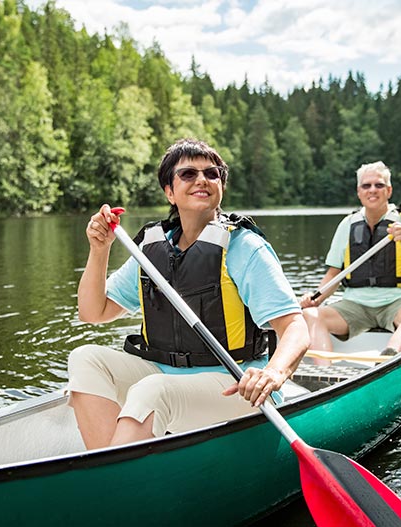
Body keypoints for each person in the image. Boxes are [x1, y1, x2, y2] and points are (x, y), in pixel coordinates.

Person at [67, 138, 309, 450]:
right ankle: (108, 469)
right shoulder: (150, 250)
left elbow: (295, 328)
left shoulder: (245, 247)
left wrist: (273, 374)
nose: (202, 180)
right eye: (188, 174)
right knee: (85, 359)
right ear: (169, 192)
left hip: (235, 386)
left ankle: (111, 482)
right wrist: (99, 251)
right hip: (167, 376)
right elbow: (93, 312)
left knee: (153, 390)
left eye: (212, 174)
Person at [299, 161, 401, 356]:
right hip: (355, 305)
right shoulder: (348, 224)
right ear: (359, 191)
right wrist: (316, 298)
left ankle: (389, 361)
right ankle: (321, 375)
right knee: (310, 314)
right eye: (366, 185)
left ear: (389, 190)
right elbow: (334, 273)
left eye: (379, 185)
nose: (372, 190)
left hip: (398, 302)